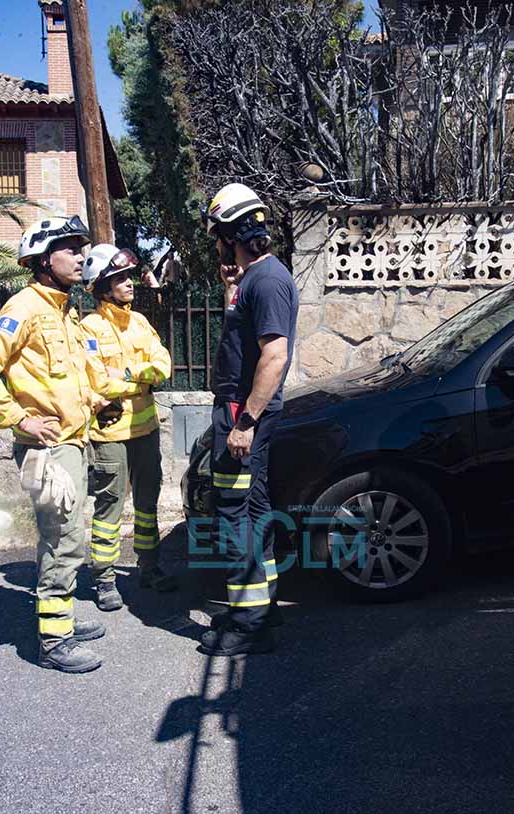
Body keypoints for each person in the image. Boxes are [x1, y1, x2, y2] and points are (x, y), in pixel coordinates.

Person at [0, 216, 139, 674]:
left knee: (68, 537)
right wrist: (19, 417)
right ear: (44, 260)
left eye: (81, 249)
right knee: (63, 540)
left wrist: (97, 402)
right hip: (49, 449)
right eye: (70, 250)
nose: (81, 257)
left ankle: (60, 620)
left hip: (73, 442)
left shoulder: (64, 310)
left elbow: (65, 379)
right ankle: (54, 641)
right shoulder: (24, 307)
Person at [198, 183, 299, 657]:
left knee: (234, 515)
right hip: (239, 409)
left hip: (242, 414)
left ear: (229, 235)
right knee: (255, 509)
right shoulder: (253, 280)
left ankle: (246, 625)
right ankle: (262, 607)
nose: (217, 245)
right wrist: (230, 289)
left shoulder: (269, 281)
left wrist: (245, 422)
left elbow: (274, 356)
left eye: (218, 236)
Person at [78, 244, 176, 611]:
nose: (129, 283)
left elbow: (163, 366)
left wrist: (128, 374)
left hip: (145, 430)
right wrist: (139, 380)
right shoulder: (89, 328)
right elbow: (98, 382)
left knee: (148, 504)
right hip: (109, 435)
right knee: (109, 506)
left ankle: (149, 568)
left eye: (129, 276)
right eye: (120, 278)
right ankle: (104, 579)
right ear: (103, 287)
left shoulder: (140, 323)